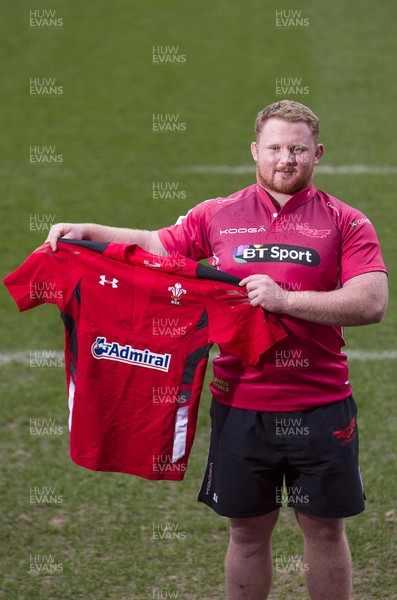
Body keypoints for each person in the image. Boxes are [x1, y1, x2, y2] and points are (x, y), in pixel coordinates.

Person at [46, 100, 388, 600]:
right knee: (246, 533)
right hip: (240, 409)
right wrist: (89, 233)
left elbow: (372, 301)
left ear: (318, 153)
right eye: (274, 148)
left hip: (321, 407)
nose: (285, 159)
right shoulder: (218, 214)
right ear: (255, 151)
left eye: (297, 149)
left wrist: (284, 299)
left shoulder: (347, 222)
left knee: (324, 532)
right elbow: (155, 246)